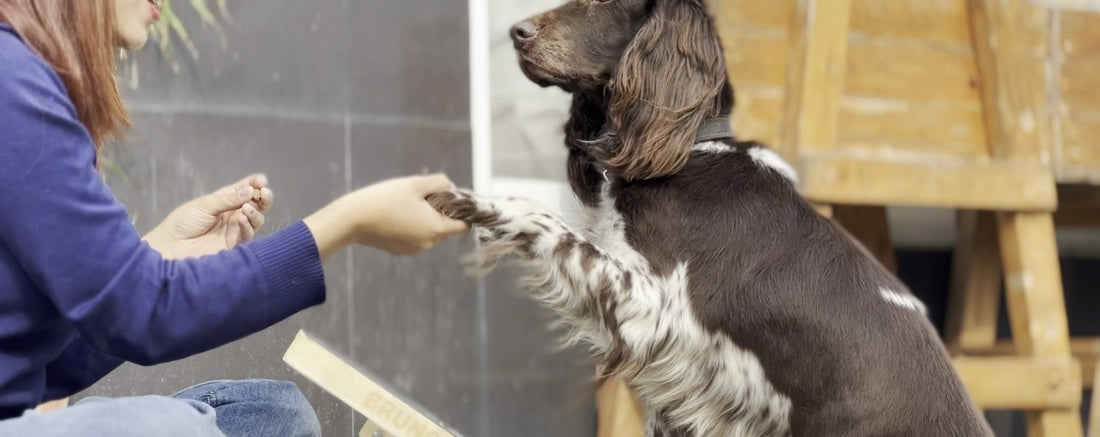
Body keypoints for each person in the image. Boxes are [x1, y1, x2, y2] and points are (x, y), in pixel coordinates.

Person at [0, 0, 469, 435]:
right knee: (175, 428)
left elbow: (50, 366)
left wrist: (162, 257)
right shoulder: (12, 82)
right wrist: (347, 223)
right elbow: (140, 315)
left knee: (273, 415)